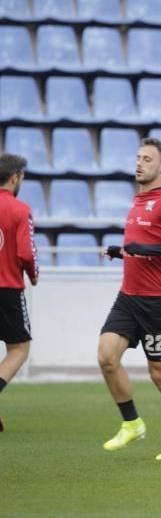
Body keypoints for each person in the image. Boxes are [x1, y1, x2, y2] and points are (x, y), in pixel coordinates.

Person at [98, 138, 161, 461]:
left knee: (159, 374)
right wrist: (121, 251)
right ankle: (132, 423)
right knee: (106, 357)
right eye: (138, 157)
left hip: (160, 301)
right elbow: (141, 243)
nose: (139, 163)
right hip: (128, 297)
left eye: (147, 159)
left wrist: (148, 250)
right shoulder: (138, 199)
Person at [0, 153, 38, 432]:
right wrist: (33, 275)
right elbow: (26, 252)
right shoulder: (20, 209)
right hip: (8, 288)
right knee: (18, 349)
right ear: (15, 178)